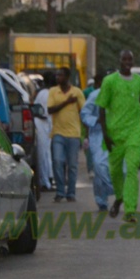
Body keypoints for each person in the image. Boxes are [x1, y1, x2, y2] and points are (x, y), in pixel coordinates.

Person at [97, 50, 140, 222]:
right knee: (115, 172)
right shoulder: (109, 81)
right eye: (124, 59)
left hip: (134, 132)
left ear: (133, 62)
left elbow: (138, 99)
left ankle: (130, 210)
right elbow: (102, 107)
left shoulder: (139, 81)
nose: (127, 62)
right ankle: (119, 197)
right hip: (114, 134)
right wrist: (105, 133)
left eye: (130, 59)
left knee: (132, 169)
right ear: (119, 61)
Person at [46, 67, 85, 203]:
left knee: (72, 165)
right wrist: (66, 102)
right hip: (58, 133)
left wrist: (86, 133)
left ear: (67, 77)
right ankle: (60, 191)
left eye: (60, 75)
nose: (58, 77)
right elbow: (50, 109)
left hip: (74, 134)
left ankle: (71, 193)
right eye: (57, 75)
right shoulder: (53, 91)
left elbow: (84, 112)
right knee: (57, 161)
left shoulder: (77, 92)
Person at [80, 71, 114, 212]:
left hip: (117, 136)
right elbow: (84, 114)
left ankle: (118, 191)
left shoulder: (119, 95)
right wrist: (96, 121)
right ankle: (101, 200)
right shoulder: (95, 96)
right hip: (98, 136)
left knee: (121, 169)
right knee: (99, 167)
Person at [33, 70, 55, 192]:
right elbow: (45, 113)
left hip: (45, 125)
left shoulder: (44, 93)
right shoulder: (47, 94)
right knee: (43, 154)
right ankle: (45, 182)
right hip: (43, 125)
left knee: (45, 154)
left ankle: (47, 181)